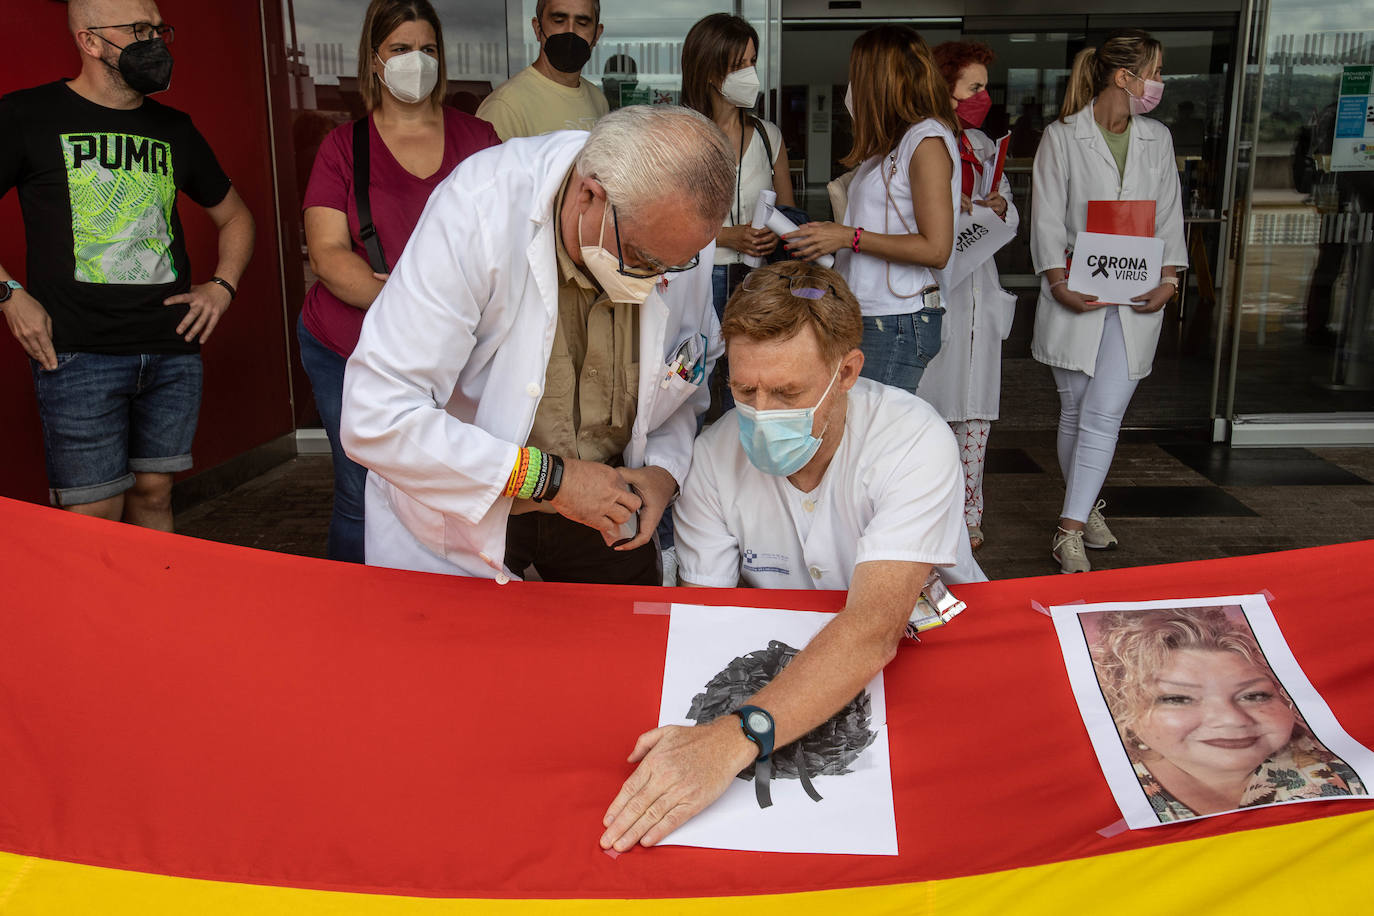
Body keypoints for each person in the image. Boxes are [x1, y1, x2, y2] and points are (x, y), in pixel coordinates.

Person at [598, 261, 963, 853]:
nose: (763, 414)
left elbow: (875, 629)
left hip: (917, 665)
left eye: (788, 392)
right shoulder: (714, 458)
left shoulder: (913, 440)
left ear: (846, 372)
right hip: (786, 677)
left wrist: (733, 738)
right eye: (745, 391)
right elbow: (708, 618)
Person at [340, 106, 732, 585]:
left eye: (672, 265)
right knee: (467, 652)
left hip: (608, 498)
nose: (656, 282)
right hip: (476, 500)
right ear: (590, 195)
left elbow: (685, 375)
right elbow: (376, 416)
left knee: (623, 647)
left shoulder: (675, 235)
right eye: (642, 260)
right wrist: (552, 479)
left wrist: (664, 471)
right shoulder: (480, 208)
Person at [0, 0, 254, 530]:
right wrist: (9, 295)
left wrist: (222, 287)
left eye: (160, 30)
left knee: (156, 496)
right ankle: (91, 616)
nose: (156, 42)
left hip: (169, 351)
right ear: (90, 42)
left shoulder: (174, 128)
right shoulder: (26, 115)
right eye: (139, 30)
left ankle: (152, 612)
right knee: (92, 512)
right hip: (75, 354)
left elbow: (236, 218)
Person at [298, 0, 499, 564]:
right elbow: (329, 252)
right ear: (375, 60)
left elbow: (509, 241)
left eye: (428, 49)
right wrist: (414, 303)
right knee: (362, 489)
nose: (418, 60)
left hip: (454, 350)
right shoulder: (343, 147)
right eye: (401, 49)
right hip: (350, 344)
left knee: (449, 488)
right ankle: (355, 616)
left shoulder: (479, 139)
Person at [1030, 29, 1186, 574]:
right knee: (1076, 411)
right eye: (1156, 71)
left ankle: (1067, 530)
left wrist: (1170, 278)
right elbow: (1047, 216)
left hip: (1138, 293)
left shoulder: (1156, 138)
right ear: (1126, 76)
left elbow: (1168, 213)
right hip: (1079, 288)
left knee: (1104, 413)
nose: (1160, 83)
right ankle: (1087, 506)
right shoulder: (1062, 136)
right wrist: (1056, 281)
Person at [783, 25, 958, 395]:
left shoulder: (925, 141)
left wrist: (848, 236)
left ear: (880, 80)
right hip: (875, 314)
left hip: (897, 319)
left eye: (856, 76)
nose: (850, 88)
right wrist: (830, 238)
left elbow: (937, 249)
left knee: (875, 440)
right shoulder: (891, 147)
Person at [1090, 606, 1367, 823]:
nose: (1231, 719)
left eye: (1254, 695)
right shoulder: (1092, 790)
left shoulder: (1345, 764)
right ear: (1123, 707)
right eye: (1178, 698)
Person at [917, 41, 1018, 552]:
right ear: (945, 89)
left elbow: (1010, 215)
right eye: (974, 87)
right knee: (929, 409)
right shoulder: (922, 146)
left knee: (976, 410)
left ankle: (970, 510)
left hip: (981, 288)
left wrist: (996, 206)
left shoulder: (982, 146)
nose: (982, 97)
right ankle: (932, 512)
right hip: (937, 289)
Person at [475, 0, 608, 140]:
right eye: (558, 21)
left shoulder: (598, 100)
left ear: (597, 34)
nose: (570, 31)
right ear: (538, 29)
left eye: (582, 23)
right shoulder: (504, 107)